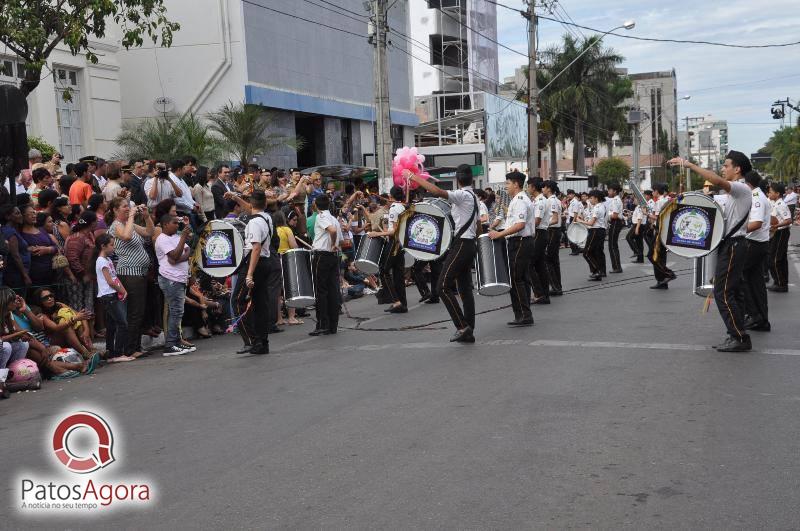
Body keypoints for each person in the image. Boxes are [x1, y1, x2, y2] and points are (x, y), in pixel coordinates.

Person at [668, 152, 753, 352]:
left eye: (726, 165)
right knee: (733, 292)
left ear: (737, 169)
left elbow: (716, 180)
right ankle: (736, 334)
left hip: (734, 245)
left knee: (722, 292)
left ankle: (739, 338)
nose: (723, 169)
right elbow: (706, 203)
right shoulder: (732, 195)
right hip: (731, 245)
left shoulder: (741, 188)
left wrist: (688, 164)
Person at [410, 164, 479, 341]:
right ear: (471, 179)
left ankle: (462, 326)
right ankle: (468, 329)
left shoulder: (462, 195)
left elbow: (437, 191)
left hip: (462, 244)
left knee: (442, 286)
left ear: (457, 179)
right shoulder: (474, 197)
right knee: (464, 289)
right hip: (469, 244)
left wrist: (413, 176)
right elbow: (478, 225)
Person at [107, 197, 154, 358]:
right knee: (134, 312)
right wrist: (133, 215)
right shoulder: (116, 226)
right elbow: (126, 237)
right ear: (115, 210)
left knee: (138, 311)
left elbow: (149, 232)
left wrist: (147, 216)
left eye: (129, 206)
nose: (128, 209)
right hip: (129, 273)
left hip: (139, 272)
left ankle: (135, 345)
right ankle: (130, 348)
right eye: (124, 207)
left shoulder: (129, 224)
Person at [235, 190, 279, 354]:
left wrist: (249, 274)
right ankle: (262, 342)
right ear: (265, 204)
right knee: (261, 304)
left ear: (253, 204)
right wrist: (236, 197)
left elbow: (256, 247)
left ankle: (252, 340)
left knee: (238, 301)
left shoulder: (254, 223)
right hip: (266, 262)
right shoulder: (266, 217)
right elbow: (251, 208)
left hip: (255, 264)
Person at [489, 171, 534, 328]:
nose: (506, 187)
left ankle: (524, 314)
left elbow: (520, 225)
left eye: (508, 183)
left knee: (516, 279)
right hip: (520, 241)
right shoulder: (517, 199)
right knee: (521, 278)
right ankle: (523, 314)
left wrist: (500, 234)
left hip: (520, 241)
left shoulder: (520, 200)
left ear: (516, 184)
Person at [155, 214, 194, 356]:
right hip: (170, 279)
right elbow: (175, 255)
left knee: (177, 311)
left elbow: (187, 251)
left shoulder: (176, 237)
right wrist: (179, 253)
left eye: (178, 224)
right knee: (176, 311)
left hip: (180, 278)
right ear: (165, 224)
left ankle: (176, 342)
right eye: (174, 223)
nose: (177, 226)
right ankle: (171, 344)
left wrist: (179, 258)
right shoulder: (162, 239)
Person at [94, 234, 135, 362]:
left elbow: (115, 278)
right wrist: (121, 290)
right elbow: (110, 281)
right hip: (108, 295)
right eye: (111, 245)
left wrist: (123, 290)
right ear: (103, 246)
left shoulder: (108, 260)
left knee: (112, 326)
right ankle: (118, 353)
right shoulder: (101, 261)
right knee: (122, 323)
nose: (113, 248)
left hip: (113, 293)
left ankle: (111, 353)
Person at [739, 171, 771, 332]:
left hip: (754, 243)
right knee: (756, 283)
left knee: (738, 276)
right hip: (759, 243)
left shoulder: (756, 197)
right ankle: (762, 320)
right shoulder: (758, 195)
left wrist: (736, 230)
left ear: (747, 183)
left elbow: (756, 223)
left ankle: (753, 315)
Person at [367, 186, 408, 313]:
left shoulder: (394, 209)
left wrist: (377, 234)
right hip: (401, 244)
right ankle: (402, 303)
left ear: (391, 197)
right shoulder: (403, 207)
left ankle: (396, 302)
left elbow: (394, 231)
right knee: (398, 274)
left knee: (383, 271)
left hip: (394, 243)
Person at [309, 195, 342, 336]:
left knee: (321, 291)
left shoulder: (321, 216)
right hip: (333, 257)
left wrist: (333, 244)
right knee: (332, 290)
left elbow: (332, 231)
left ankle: (323, 324)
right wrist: (334, 244)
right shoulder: (334, 218)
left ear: (316, 205)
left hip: (322, 255)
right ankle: (332, 325)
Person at [645, 183, 676, 289]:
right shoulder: (668, 199)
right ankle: (662, 281)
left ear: (657, 191)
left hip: (661, 231)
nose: (652, 193)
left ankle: (668, 274)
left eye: (653, 191)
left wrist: (647, 214)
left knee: (651, 255)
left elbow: (658, 219)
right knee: (660, 256)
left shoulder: (660, 201)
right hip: (665, 231)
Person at [528, 179, 551, 304]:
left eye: (528, 186)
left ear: (533, 187)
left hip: (539, 233)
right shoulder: (538, 200)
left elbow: (536, 221)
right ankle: (544, 294)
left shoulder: (540, 201)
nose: (527, 189)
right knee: (540, 265)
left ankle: (539, 293)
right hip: (540, 233)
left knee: (529, 263)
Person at [767, 182, 791, 292]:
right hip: (777, 232)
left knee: (775, 259)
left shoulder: (781, 205)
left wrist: (776, 225)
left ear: (777, 194)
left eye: (771, 192)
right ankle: (780, 282)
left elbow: (788, 220)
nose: (769, 193)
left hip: (781, 233)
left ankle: (780, 284)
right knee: (780, 258)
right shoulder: (775, 203)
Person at [579, 190, 608, 281]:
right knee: (597, 252)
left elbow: (591, 223)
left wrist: (580, 221)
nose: (589, 199)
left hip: (595, 230)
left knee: (586, 252)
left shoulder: (597, 208)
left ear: (596, 198)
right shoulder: (602, 206)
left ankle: (597, 271)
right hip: (600, 230)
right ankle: (599, 271)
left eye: (591, 198)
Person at [542, 180, 563, 295]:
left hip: (552, 231)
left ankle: (555, 287)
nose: (542, 189)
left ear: (549, 189)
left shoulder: (552, 201)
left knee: (549, 260)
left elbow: (554, 219)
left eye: (544, 187)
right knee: (554, 261)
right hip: (553, 231)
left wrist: (544, 224)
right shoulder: (552, 200)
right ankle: (557, 286)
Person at [606, 182, 624, 273]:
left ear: (615, 191)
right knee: (612, 245)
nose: (608, 192)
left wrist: (607, 215)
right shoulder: (615, 199)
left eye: (610, 190)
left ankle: (617, 267)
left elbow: (615, 215)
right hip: (615, 223)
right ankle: (616, 266)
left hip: (615, 222)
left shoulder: (616, 200)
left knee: (612, 245)